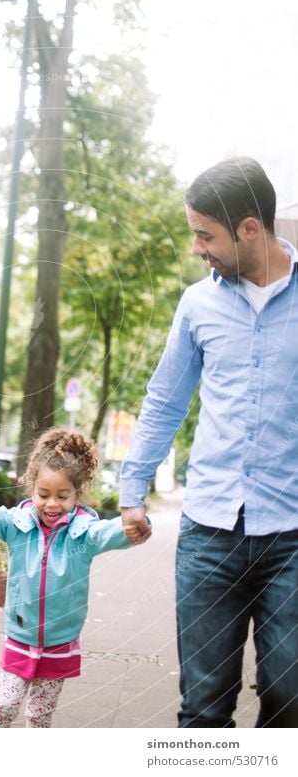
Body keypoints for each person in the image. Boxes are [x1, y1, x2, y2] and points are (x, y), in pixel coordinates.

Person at [119, 157, 298, 728]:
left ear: (250, 228)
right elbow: (165, 399)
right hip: (208, 538)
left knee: (290, 701)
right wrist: (131, 487)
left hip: (293, 538)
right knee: (202, 709)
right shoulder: (198, 304)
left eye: (205, 234)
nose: (197, 247)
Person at [0, 427, 141, 728]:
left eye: (63, 496)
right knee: (3, 707)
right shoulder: (16, 525)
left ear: (78, 494)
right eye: (43, 494)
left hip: (60, 641)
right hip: (20, 635)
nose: (52, 504)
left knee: (39, 717)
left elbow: (107, 532)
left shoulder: (82, 534)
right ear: (31, 489)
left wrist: (132, 525)